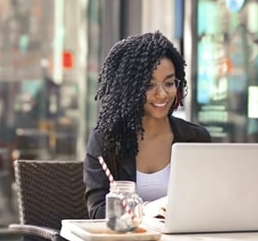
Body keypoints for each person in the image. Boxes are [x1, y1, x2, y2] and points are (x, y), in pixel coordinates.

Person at [83, 31, 211, 225]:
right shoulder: (106, 140)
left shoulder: (195, 138)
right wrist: (144, 211)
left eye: (169, 83)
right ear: (130, 89)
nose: (162, 94)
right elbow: (98, 212)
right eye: (149, 86)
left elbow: (207, 203)